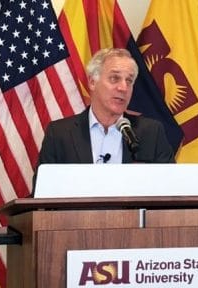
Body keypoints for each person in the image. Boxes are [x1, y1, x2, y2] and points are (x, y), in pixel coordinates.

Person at [32, 48, 175, 192]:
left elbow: (171, 192)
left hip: (135, 215)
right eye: (115, 78)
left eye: (129, 81)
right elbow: (42, 194)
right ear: (92, 82)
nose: (123, 88)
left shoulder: (151, 132)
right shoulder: (59, 134)